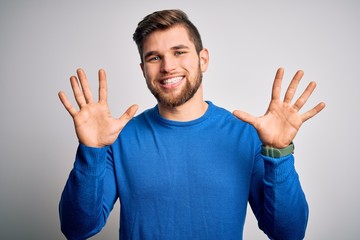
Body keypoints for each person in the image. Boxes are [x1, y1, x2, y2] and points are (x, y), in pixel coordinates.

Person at [58, 9, 325, 240]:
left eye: (179, 52)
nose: (167, 66)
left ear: (203, 59)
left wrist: (278, 152)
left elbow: (288, 233)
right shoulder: (119, 138)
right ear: (143, 70)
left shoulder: (247, 136)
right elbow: (77, 229)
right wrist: (91, 151)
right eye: (154, 57)